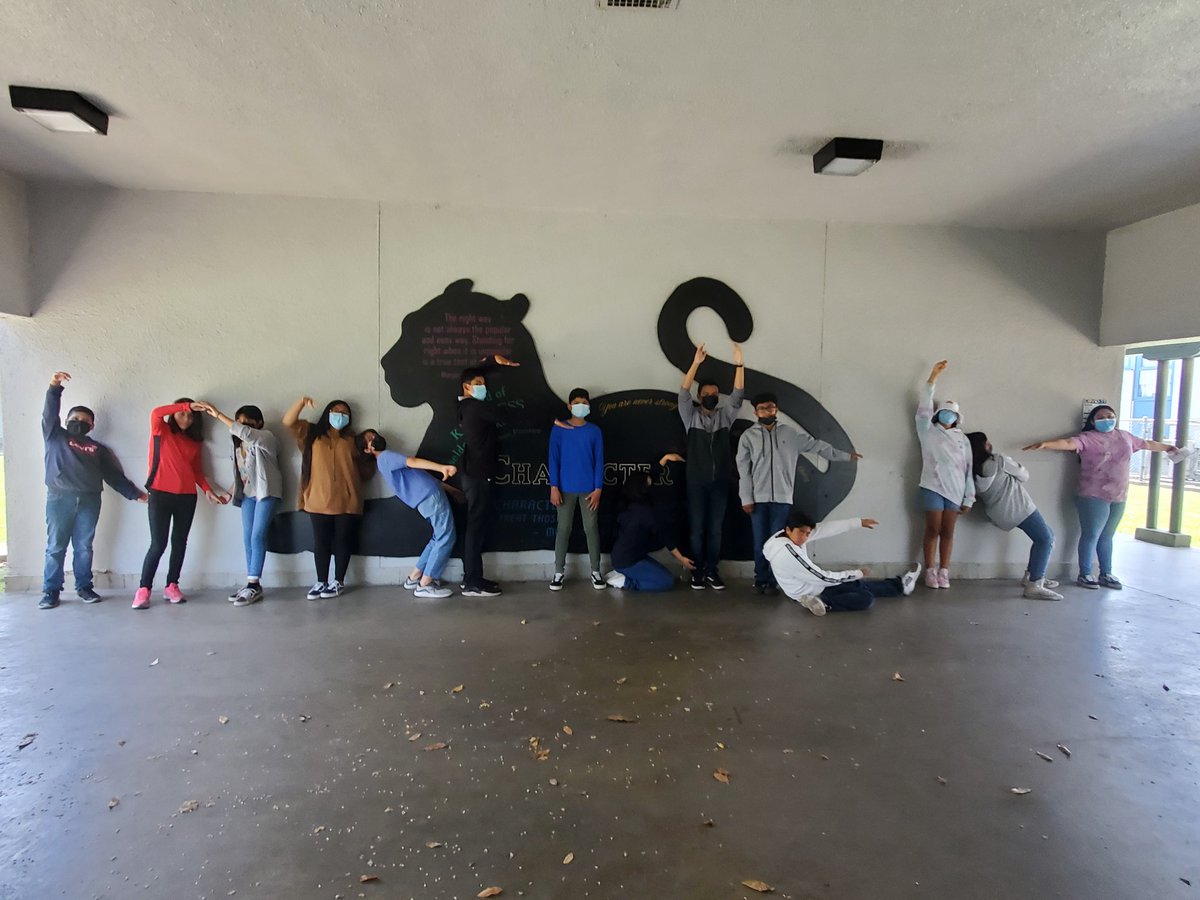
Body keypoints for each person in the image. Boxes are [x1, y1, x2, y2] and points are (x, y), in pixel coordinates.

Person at [1023, 404, 1184, 590]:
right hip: (1092, 494)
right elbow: (1068, 443)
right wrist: (1045, 444)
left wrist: (1168, 448)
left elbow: (1146, 444)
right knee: (1091, 534)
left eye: (1110, 415)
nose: (1107, 419)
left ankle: (1106, 572)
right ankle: (1085, 574)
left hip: (1119, 494)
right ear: (1092, 421)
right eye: (1101, 417)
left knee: (1108, 535)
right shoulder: (1088, 438)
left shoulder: (1125, 437)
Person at [39, 371, 147, 609]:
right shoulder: (55, 436)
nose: (80, 422)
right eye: (75, 418)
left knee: (84, 547)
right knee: (56, 547)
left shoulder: (98, 449)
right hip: (59, 498)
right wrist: (55, 387)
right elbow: (49, 413)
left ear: (92, 425)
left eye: (85, 420)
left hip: (89, 500)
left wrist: (136, 495)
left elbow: (113, 476)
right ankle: (50, 591)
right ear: (67, 421)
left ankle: (84, 587)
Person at [737, 392, 861, 595]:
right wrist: (746, 498)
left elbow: (817, 446)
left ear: (776, 409)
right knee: (760, 541)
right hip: (758, 499)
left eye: (770, 407)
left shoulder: (790, 434)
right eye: (762, 408)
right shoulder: (748, 437)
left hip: (783, 498)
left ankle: (776, 581)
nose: (766, 411)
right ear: (755, 412)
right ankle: (761, 580)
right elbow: (743, 469)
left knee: (781, 542)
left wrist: (845, 456)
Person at [134, 398, 229, 609]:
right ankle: (144, 589)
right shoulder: (161, 430)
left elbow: (196, 471)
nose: (186, 418)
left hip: (187, 497)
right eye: (182, 413)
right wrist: (188, 405)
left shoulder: (195, 442)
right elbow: (157, 410)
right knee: (158, 544)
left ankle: (172, 585)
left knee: (179, 542)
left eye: (190, 415)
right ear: (175, 414)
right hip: (159, 494)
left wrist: (208, 491)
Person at [283, 395, 376, 600]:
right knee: (321, 542)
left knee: (343, 541)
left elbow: (366, 470)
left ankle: (338, 582)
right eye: (336, 412)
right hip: (317, 499)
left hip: (347, 501)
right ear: (327, 413)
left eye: (344, 413)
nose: (340, 416)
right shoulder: (312, 434)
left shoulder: (353, 439)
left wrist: (371, 451)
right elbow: (288, 422)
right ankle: (321, 581)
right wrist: (300, 402)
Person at [195, 401, 282, 607]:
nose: (243, 427)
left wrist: (217, 414)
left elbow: (247, 434)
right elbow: (243, 475)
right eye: (240, 423)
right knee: (247, 538)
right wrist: (228, 493)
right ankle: (252, 583)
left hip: (267, 494)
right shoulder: (239, 446)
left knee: (257, 535)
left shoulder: (266, 438)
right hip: (248, 495)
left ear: (259, 423)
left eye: (247, 423)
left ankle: (253, 584)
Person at [763, 510, 922, 616]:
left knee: (858, 585)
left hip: (809, 585)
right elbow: (823, 578)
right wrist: (856, 573)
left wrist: (858, 522)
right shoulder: (789, 553)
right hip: (813, 590)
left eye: (807, 534)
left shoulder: (782, 537)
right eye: (801, 533)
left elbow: (825, 529)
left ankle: (900, 585)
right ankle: (825, 604)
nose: (804, 537)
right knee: (866, 598)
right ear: (789, 529)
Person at [359, 428, 457, 599]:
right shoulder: (386, 457)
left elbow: (417, 475)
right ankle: (425, 584)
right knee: (445, 537)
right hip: (429, 497)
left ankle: (414, 577)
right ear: (368, 450)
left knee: (437, 537)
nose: (374, 438)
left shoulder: (383, 462)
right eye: (369, 439)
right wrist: (442, 468)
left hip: (424, 499)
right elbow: (412, 462)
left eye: (373, 434)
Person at [678, 342, 745, 590]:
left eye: (715, 393)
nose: (711, 396)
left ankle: (712, 572)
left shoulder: (725, 417)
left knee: (715, 530)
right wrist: (696, 362)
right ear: (700, 397)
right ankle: (696, 573)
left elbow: (738, 394)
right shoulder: (690, 416)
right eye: (706, 394)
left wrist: (739, 363)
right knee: (696, 530)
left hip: (719, 484)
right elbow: (682, 393)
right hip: (695, 482)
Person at [967, 432, 1063, 601]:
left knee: (1046, 534)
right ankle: (1035, 584)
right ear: (984, 445)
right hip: (1019, 506)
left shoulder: (971, 470)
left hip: (998, 512)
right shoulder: (999, 460)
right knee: (1045, 539)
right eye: (986, 441)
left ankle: (1031, 575)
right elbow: (1024, 475)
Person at [457, 354, 520, 597]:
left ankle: (471, 578)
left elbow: (471, 371)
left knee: (476, 527)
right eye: (479, 384)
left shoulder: (462, 405)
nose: (483, 387)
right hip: (479, 475)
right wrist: (551, 419)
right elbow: (508, 417)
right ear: (467, 388)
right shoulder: (476, 406)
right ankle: (472, 582)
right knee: (475, 527)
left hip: (473, 474)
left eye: (484, 383)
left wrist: (494, 361)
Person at [916, 360, 974, 589]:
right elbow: (923, 407)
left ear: (957, 418)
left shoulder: (963, 440)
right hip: (932, 486)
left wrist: (969, 497)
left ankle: (944, 570)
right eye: (944, 412)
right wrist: (933, 377)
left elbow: (968, 469)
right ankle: (930, 570)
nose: (948, 416)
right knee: (933, 529)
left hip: (956, 489)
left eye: (952, 414)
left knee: (948, 532)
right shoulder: (928, 431)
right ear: (938, 414)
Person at [548, 388, 605, 591]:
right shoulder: (559, 429)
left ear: (589, 406)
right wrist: (554, 487)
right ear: (569, 405)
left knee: (591, 529)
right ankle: (558, 571)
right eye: (577, 402)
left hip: (589, 489)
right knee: (563, 529)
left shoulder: (595, 431)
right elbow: (553, 460)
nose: (581, 405)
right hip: (564, 488)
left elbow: (599, 461)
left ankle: (596, 570)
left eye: (584, 402)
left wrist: (598, 488)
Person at [606, 464, 695, 591]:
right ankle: (624, 581)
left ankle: (621, 573)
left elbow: (649, 477)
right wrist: (681, 559)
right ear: (643, 489)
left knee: (663, 575)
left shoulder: (628, 504)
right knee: (666, 581)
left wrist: (664, 461)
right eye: (649, 486)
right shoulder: (644, 513)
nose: (652, 488)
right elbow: (665, 537)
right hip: (628, 561)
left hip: (629, 556)